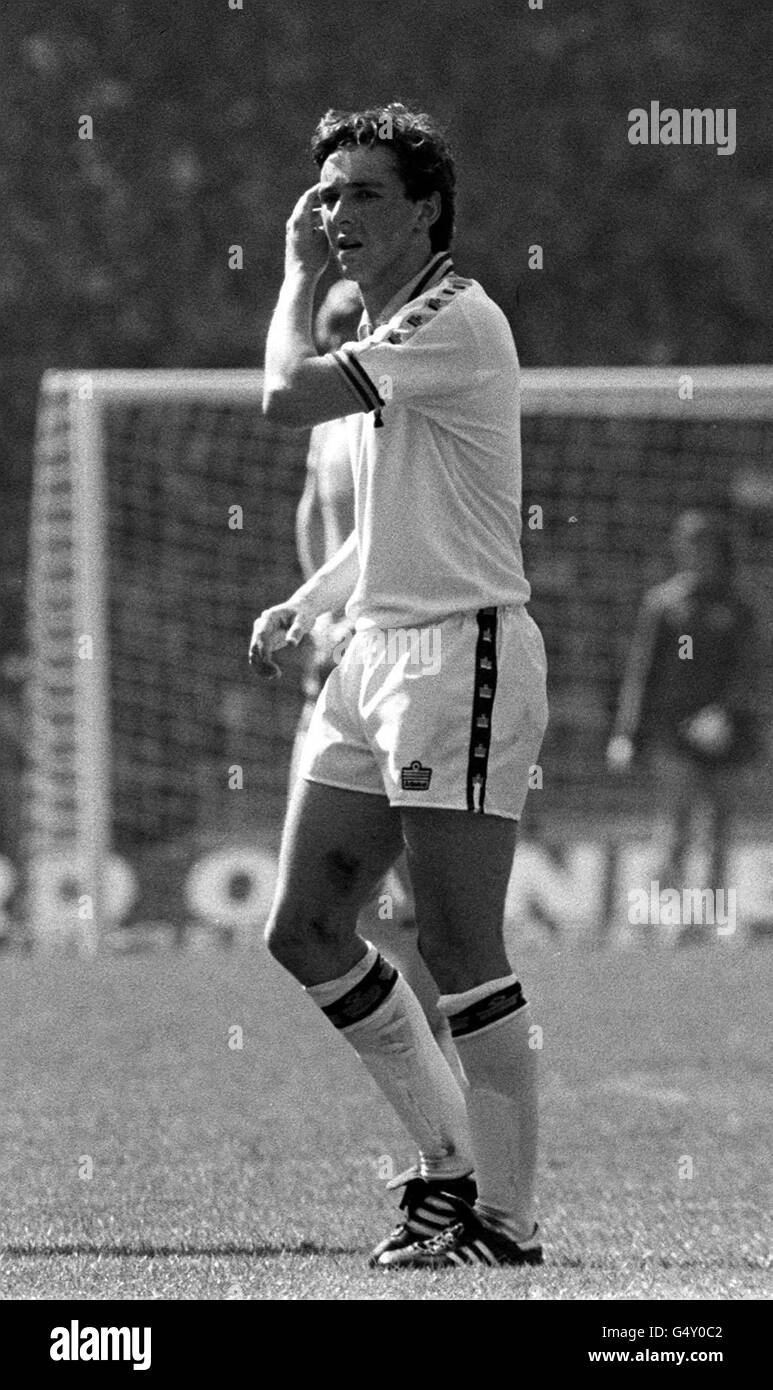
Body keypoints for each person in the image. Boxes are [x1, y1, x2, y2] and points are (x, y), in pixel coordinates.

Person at [250, 103, 548, 1269]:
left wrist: (280, 282)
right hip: (373, 653)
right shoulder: (396, 332)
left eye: (363, 193)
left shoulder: (451, 314)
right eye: (326, 196)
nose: (335, 215)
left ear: (425, 210)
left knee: (460, 946)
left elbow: (282, 396)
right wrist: (311, 603)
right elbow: (389, 519)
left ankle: (506, 1227)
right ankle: (448, 1166)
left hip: (456, 654)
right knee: (306, 926)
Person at [291, 279, 463, 1079]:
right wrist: (308, 614)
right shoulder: (326, 431)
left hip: (396, 665)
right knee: (326, 903)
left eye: (348, 324)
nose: (336, 338)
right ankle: (428, 1047)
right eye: (327, 325)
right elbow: (312, 522)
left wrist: (352, 620)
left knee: (404, 887)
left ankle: (451, 1046)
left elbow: (386, 536)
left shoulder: (392, 416)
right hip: (335, 667)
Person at [607, 509, 759, 942]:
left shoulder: (738, 607)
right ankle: (658, 921)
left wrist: (725, 713)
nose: (693, 554)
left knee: (717, 834)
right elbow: (643, 672)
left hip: (728, 737)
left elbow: (751, 670)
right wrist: (625, 733)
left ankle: (702, 925)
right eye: (687, 545)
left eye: (702, 546)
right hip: (674, 735)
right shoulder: (664, 604)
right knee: (673, 829)